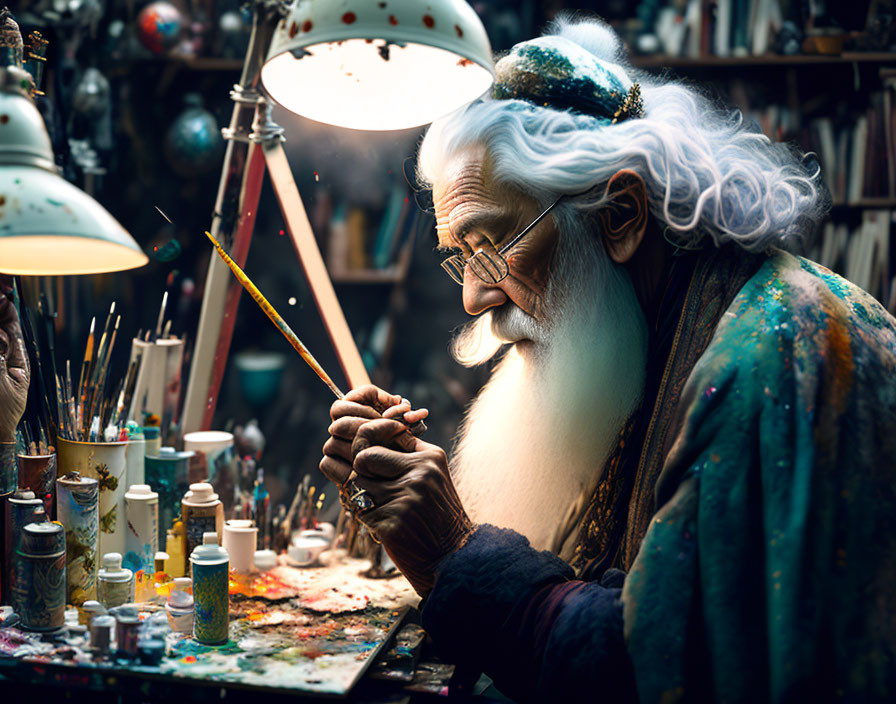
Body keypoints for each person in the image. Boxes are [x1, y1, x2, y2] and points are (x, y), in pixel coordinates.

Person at [320, 14, 896, 702]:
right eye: (458, 258)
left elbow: (651, 674)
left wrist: (453, 551)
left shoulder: (762, 360)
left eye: (490, 246)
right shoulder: (656, 320)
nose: (474, 297)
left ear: (620, 216)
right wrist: (425, 543)